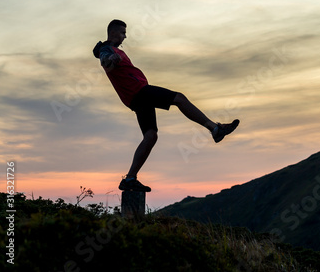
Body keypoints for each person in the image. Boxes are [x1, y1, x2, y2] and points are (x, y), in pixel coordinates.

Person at [93, 19, 239, 192]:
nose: (125, 36)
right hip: (139, 91)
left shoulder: (111, 49)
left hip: (135, 98)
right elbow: (105, 61)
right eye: (123, 33)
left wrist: (111, 56)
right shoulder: (107, 49)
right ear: (113, 32)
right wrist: (111, 59)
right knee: (179, 98)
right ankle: (215, 129)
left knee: (151, 136)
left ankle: (130, 178)